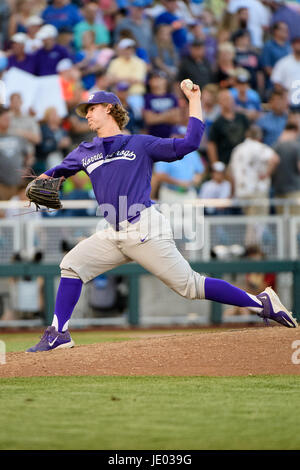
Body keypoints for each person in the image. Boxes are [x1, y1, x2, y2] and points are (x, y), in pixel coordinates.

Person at [26, 85, 298, 352]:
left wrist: (194, 100)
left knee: (190, 286)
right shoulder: (85, 151)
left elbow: (190, 143)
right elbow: (57, 171)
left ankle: (262, 303)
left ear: (109, 109)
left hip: (144, 227)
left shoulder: (140, 143)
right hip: (113, 231)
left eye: (92, 108)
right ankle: (59, 333)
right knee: (72, 265)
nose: (86, 114)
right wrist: (42, 179)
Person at [227, 125, 279, 215]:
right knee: (257, 226)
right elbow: (275, 159)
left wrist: (232, 192)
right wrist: (267, 174)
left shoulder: (237, 149)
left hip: (241, 192)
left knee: (248, 223)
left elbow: (230, 172)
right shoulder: (261, 147)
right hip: (257, 191)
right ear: (259, 137)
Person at [207, 88, 249, 166]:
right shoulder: (216, 123)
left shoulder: (242, 118)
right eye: (225, 99)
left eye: (230, 98)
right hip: (226, 161)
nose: (228, 101)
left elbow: (249, 136)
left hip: (244, 159)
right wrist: (216, 165)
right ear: (219, 103)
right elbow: (211, 145)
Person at [272, 120, 300, 215]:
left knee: (282, 223)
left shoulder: (275, 146)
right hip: (294, 190)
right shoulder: (296, 146)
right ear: (295, 131)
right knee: (295, 222)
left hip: (278, 189)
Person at [143, 70, 180, 138]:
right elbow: (149, 119)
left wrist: (156, 116)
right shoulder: (147, 97)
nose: (157, 80)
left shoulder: (172, 97)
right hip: (153, 137)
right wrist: (168, 114)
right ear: (150, 82)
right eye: (155, 78)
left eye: (160, 78)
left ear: (166, 81)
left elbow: (177, 118)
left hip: (171, 136)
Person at [271, 35, 300, 110]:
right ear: (292, 45)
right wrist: (284, 98)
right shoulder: (284, 62)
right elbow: (276, 81)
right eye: (298, 43)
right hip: (289, 103)